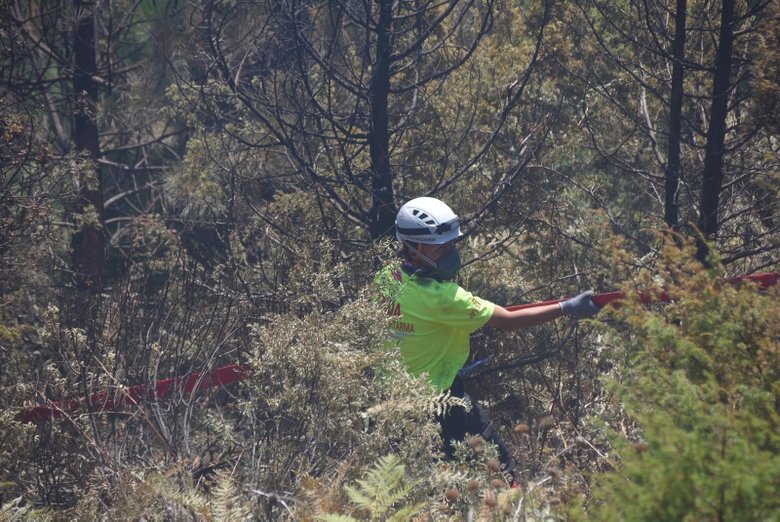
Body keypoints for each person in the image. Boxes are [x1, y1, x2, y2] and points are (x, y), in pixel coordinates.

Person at [374, 196, 601, 484]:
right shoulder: (444, 298)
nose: (450, 254)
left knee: (449, 476)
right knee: (486, 476)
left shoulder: (385, 278)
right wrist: (567, 307)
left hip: (395, 399)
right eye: (442, 248)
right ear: (417, 248)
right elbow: (506, 320)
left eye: (451, 246)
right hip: (442, 402)